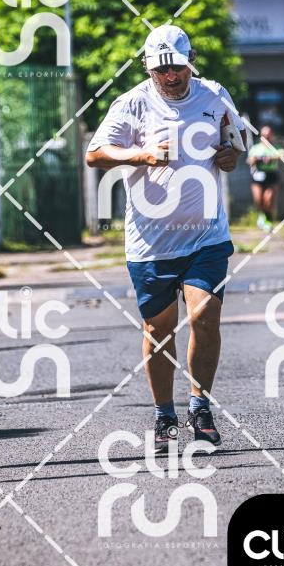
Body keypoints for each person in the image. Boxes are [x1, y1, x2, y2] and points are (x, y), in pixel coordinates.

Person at [86, 24, 246, 453]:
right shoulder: (132, 103)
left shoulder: (214, 95)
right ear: (147, 68)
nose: (170, 76)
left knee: (204, 314)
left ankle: (200, 406)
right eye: (160, 70)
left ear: (190, 61)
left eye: (176, 67)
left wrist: (230, 155)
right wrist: (140, 154)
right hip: (151, 242)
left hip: (206, 235)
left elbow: (235, 144)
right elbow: (95, 154)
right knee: (158, 330)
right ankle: (164, 415)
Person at [246, 124, 284, 231]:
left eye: (268, 136)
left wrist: (270, 158)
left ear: (272, 135)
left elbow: (283, 154)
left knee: (268, 200)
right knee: (258, 200)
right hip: (258, 175)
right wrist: (256, 160)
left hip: (271, 175)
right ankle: (261, 215)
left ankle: (268, 221)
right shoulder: (255, 148)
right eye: (264, 136)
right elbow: (249, 160)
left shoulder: (276, 148)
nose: (266, 138)